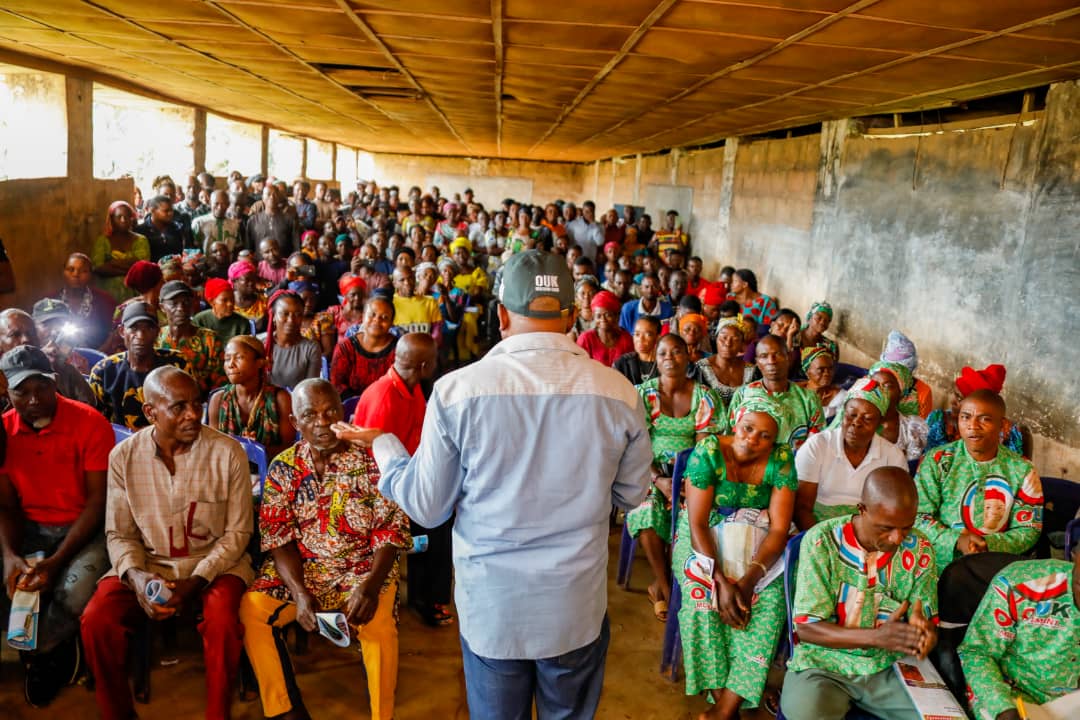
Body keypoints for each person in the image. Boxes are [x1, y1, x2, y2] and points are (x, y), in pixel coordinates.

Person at [350, 250, 652, 718]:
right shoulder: (619, 393)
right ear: (573, 316)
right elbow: (632, 495)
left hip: (495, 608)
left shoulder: (456, 392)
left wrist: (387, 448)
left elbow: (427, 508)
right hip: (573, 607)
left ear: (502, 313)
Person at [81, 366, 252, 720]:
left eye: (197, 404)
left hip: (214, 564)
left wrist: (195, 581)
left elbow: (237, 534)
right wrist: (137, 578)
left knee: (221, 620)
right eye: (178, 407)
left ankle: (217, 714)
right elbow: (120, 533)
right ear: (150, 412)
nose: (192, 414)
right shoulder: (124, 458)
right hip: (149, 563)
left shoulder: (227, 452)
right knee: (97, 620)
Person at [240, 379, 409, 720]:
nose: (322, 422)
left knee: (377, 626)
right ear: (295, 423)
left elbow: (391, 530)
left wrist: (372, 586)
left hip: (363, 570)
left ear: (341, 412)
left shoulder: (372, 462)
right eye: (310, 414)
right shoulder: (284, 468)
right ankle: (285, 709)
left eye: (330, 411)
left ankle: (382, 715)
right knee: (253, 609)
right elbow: (278, 535)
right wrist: (300, 593)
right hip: (305, 572)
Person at [0, 345, 113, 707]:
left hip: (85, 529)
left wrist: (58, 560)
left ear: (55, 381)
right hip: (33, 527)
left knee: (71, 594)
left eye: (42, 387)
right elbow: (6, 505)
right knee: (13, 584)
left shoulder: (88, 422)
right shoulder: (4, 432)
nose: (34, 399)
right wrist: (10, 556)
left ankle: (44, 652)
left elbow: (98, 503)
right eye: (22, 391)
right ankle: (46, 646)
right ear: (7, 391)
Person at [780, 468, 939, 720]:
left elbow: (926, 616)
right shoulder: (822, 542)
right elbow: (808, 629)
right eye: (886, 528)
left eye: (906, 527)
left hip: (890, 665)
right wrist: (875, 637)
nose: (898, 538)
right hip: (824, 664)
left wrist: (925, 632)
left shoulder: (920, 547)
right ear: (862, 509)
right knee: (805, 714)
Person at [675, 392, 795, 719]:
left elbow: (778, 530)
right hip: (704, 536)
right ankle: (724, 702)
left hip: (756, 534)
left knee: (767, 605)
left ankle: (724, 709)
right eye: (747, 428)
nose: (752, 438)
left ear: (775, 441)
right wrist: (718, 578)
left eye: (764, 435)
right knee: (702, 598)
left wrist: (748, 579)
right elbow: (697, 522)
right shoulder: (709, 452)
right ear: (736, 422)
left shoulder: (782, 460)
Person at [345, 334, 451, 626]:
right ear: (425, 364)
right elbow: (379, 465)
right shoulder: (386, 398)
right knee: (435, 522)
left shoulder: (411, 387)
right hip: (381, 491)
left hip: (408, 476)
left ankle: (426, 592)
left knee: (445, 506)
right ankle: (427, 599)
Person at [626, 334, 725, 623]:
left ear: (689, 356)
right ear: (655, 361)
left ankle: (665, 585)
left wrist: (686, 481)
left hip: (691, 474)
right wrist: (659, 480)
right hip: (648, 471)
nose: (670, 358)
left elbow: (706, 448)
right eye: (663, 353)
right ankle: (667, 588)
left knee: (697, 513)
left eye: (677, 352)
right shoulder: (642, 395)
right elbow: (635, 446)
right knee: (646, 510)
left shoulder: (705, 396)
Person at [914, 389, 1043, 570]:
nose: (973, 426)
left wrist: (987, 544)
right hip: (938, 564)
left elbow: (1029, 529)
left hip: (995, 567)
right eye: (965, 417)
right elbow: (917, 516)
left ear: (1003, 426)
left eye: (985, 419)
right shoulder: (938, 460)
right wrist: (957, 541)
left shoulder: (1022, 470)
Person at [958, 554, 1080, 720]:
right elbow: (977, 652)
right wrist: (1002, 708)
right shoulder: (1019, 584)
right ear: (1075, 556)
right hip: (1015, 696)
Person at [795, 377, 906, 528]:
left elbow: (891, 512)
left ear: (879, 423)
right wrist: (820, 540)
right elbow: (801, 508)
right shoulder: (818, 446)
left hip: (866, 531)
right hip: (815, 527)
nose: (856, 423)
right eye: (851, 415)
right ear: (842, 413)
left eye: (867, 419)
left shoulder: (893, 458)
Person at [88, 302, 193, 430]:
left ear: (158, 332)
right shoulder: (104, 372)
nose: (141, 336)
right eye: (133, 328)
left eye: (148, 328)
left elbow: (189, 411)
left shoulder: (177, 364)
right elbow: (96, 422)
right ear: (122, 331)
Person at [208, 335, 295, 465]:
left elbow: (288, 450)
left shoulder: (280, 399)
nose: (231, 364)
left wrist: (256, 450)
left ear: (259, 363)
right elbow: (212, 447)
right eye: (227, 359)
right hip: (228, 470)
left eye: (239, 358)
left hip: (269, 473)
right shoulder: (218, 399)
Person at [729, 334, 825, 451]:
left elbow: (816, 445)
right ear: (758, 363)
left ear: (788, 357)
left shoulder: (808, 399)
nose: (771, 361)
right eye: (764, 356)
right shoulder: (743, 394)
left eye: (777, 354)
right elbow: (730, 436)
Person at [926, 364, 1026, 457]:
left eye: (959, 398)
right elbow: (926, 460)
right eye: (954, 394)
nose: (952, 402)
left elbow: (1014, 470)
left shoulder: (1007, 432)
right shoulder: (938, 420)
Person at [155, 280, 226, 395]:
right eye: (174, 303)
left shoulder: (210, 340)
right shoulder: (156, 338)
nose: (181, 308)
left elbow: (219, 382)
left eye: (186, 302)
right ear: (162, 307)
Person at [330, 296, 398, 399]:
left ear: (391, 323)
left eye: (384, 317)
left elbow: (401, 385)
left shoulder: (399, 350)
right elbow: (337, 385)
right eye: (372, 314)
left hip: (388, 405)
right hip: (351, 408)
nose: (377, 320)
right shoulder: (345, 348)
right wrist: (362, 404)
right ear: (363, 317)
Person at [27, 300, 95, 404]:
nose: (54, 331)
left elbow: (88, 404)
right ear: (33, 328)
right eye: (46, 325)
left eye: (60, 323)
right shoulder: (24, 360)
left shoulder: (79, 361)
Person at [868, 360, 929, 462]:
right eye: (875, 385)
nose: (880, 391)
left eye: (887, 386)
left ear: (900, 392)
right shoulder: (857, 417)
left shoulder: (912, 429)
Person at [91, 201, 151, 302]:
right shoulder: (103, 241)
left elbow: (142, 266)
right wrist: (130, 269)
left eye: (127, 217)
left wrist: (112, 263)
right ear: (111, 219)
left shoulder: (141, 240)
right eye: (118, 217)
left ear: (132, 218)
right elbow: (98, 267)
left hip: (135, 293)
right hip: (108, 293)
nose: (123, 220)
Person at [56, 252, 116, 349]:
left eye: (83, 271)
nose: (76, 274)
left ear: (91, 275)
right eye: (71, 270)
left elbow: (114, 333)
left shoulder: (106, 301)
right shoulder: (50, 300)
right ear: (63, 272)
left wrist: (98, 357)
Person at [263, 290, 321, 389]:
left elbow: (310, 389)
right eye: (285, 314)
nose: (291, 320)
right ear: (273, 316)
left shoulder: (311, 348)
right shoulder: (262, 345)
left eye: (298, 314)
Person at [696, 315, 756, 404]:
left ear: (741, 344)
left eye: (735, 339)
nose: (728, 343)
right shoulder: (701, 369)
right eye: (723, 338)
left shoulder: (752, 371)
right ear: (716, 339)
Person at [881, 331, 933, 419]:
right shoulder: (876, 383)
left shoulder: (923, 393)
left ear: (909, 372)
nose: (894, 377)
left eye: (898, 373)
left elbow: (923, 427)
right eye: (889, 371)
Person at [577, 289, 634, 367]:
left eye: (608, 315)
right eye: (598, 316)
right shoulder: (586, 339)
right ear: (593, 316)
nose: (603, 319)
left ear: (616, 315)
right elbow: (580, 367)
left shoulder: (626, 339)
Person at [391, 267, 443, 341]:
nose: (407, 282)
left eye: (410, 278)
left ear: (415, 280)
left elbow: (437, 330)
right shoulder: (390, 303)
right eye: (402, 280)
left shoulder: (430, 301)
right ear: (394, 284)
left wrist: (431, 345)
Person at [193, 277, 251, 343]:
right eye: (225, 300)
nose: (230, 304)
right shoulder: (199, 320)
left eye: (232, 299)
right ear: (211, 302)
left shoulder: (242, 323)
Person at [136, 194, 192, 261]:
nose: (170, 213)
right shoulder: (141, 231)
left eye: (171, 210)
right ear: (152, 211)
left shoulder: (176, 228)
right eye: (166, 211)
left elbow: (180, 253)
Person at [800, 346, 846, 423]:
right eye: (821, 370)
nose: (827, 373)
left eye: (830, 369)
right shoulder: (795, 392)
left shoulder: (840, 397)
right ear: (807, 371)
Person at [612, 315, 661, 385]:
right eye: (637, 334)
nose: (640, 339)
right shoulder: (622, 363)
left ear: (657, 338)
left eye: (647, 335)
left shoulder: (664, 364)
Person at [193, 190, 242, 255]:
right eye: (216, 203)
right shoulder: (199, 223)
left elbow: (237, 247)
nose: (220, 207)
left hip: (229, 263)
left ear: (228, 204)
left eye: (223, 203)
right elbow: (195, 248)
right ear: (210, 203)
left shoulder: (234, 225)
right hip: (206, 263)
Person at [230, 260, 268, 332]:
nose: (251, 283)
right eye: (246, 279)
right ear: (234, 282)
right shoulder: (228, 303)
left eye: (253, 279)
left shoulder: (263, 302)